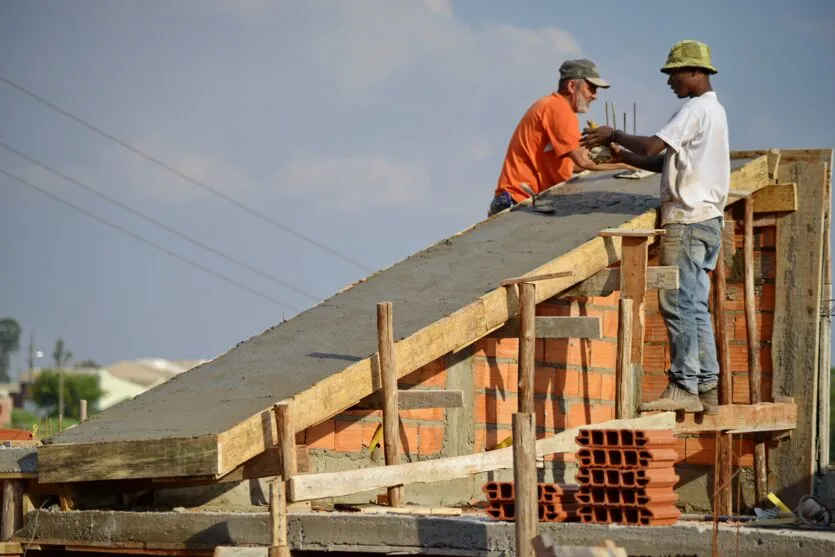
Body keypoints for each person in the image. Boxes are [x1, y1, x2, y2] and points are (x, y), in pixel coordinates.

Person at [581, 40, 729, 414]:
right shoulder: (716, 112)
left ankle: (683, 386)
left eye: (674, 73)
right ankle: (707, 386)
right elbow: (660, 163)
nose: (669, 82)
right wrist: (621, 156)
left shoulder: (694, 111)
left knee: (677, 303)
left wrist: (613, 135)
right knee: (695, 306)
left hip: (687, 220)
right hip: (707, 221)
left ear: (695, 72)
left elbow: (650, 146)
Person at [488, 59, 633, 216]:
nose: (595, 96)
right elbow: (584, 162)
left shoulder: (550, 106)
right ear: (572, 86)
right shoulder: (560, 110)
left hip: (516, 199)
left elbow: (573, 165)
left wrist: (612, 159)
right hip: (519, 200)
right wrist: (628, 165)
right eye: (591, 88)